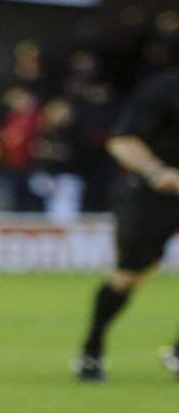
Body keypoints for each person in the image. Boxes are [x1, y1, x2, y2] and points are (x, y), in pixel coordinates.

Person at [75, 66, 179, 382]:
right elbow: (121, 141)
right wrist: (157, 172)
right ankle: (92, 349)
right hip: (151, 194)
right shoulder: (164, 89)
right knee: (131, 275)